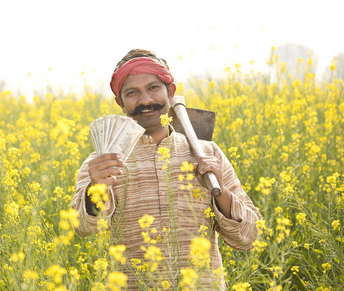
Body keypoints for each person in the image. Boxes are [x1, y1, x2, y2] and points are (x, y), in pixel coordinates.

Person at [71, 49, 262, 290]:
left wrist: (220, 192)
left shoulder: (207, 153)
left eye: (153, 88)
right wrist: (96, 188)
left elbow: (250, 237)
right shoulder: (102, 163)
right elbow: (82, 227)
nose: (145, 100)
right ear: (120, 103)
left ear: (170, 93)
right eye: (132, 93)